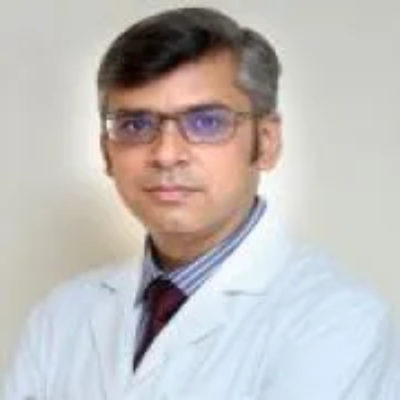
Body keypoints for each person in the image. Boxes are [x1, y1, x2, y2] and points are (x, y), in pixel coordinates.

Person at [2, 6, 399, 400]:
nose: (166, 154)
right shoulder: (61, 316)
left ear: (266, 142)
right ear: (107, 151)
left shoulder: (338, 320)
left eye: (207, 122)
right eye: (136, 125)